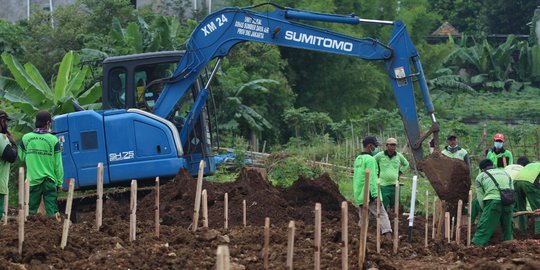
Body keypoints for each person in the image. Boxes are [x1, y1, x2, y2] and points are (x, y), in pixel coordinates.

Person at [18, 110, 64, 217]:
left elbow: (21, 156)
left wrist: (33, 157)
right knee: (52, 211)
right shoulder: (53, 140)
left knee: (31, 212)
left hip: (33, 181)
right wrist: (59, 183)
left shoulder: (26, 138)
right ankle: (53, 232)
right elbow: (58, 164)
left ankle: (30, 231)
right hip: (49, 181)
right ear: (48, 123)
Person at [353, 136, 392, 239]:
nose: (376, 149)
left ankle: (360, 238)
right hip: (370, 194)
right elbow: (373, 179)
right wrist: (376, 196)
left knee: (363, 218)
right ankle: (388, 237)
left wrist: (357, 195)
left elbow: (357, 179)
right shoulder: (370, 160)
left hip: (360, 194)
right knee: (382, 214)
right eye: (375, 146)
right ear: (370, 146)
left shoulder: (358, 159)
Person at [472, 159, 514, 246]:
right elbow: (512, 190)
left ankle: (476, 246)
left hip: (493, 201)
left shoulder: (481, 176)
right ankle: (510, 246)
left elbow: (480, 197)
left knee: (484, 227)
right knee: (508, 228)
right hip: (509, 202)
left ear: (481, 169)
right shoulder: (505, 173)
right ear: (493, 166)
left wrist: (485, 211)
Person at [374, 137, 409, 211]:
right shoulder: (380, 155)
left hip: (395, 185)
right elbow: (372, 162)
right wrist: (376, 172)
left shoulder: (398, 156)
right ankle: (384, 220)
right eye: (391, 145)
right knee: (383, 206)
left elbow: (406, 164)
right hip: (383, 185)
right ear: (387, 145)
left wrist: (400, 171)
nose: (393, 147)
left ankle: (394, 220)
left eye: (395, 145)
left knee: (396, 206)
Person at [513, 159, 540, 235]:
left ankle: (522, 231)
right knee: (538, 209)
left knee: (520, 207)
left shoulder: (531, 165)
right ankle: (539, 232)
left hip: (516, 183)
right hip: (529, 183)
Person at [0, 110, 17, 219]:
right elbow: (12, 157)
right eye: (6, 122)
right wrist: (13, 143)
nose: (7, 125)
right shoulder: (1, 139)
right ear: (1, 121)